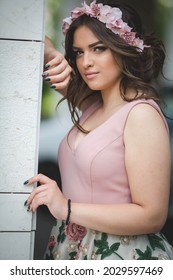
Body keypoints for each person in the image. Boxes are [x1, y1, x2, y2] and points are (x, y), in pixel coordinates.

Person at [24, 0, 173, 260]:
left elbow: (152, 216)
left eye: (98, 48)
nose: (86, 63)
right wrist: (50, 55)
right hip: (71, 248)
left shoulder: (141, 115)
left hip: (121, 256)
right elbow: (35, 38)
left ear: (124, 47)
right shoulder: (94, 105)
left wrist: (65, 208)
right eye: (78, 52)